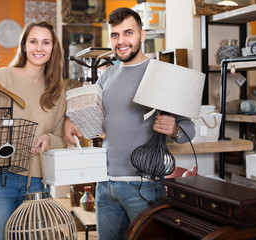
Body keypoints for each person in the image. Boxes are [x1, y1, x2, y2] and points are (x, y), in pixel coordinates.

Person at [63, 7, 195, 240]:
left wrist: (174, 129)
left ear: (142, 35)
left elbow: (189, 129)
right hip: (106, 184)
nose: (121, 41)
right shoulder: (108, 75)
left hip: (143, 186)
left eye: (128, 33)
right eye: (115, 35)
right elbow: (94, 117)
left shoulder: (163, 74)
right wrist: (69, 121)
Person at [0, 21, 66, 240]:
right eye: (33, 41)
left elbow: (61, 138)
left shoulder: (57, 91)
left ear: (53, 48)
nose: (39, 48)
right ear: (24, 45)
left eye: (46, 42)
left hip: (36, 182)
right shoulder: (4, 76)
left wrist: (49, 139)